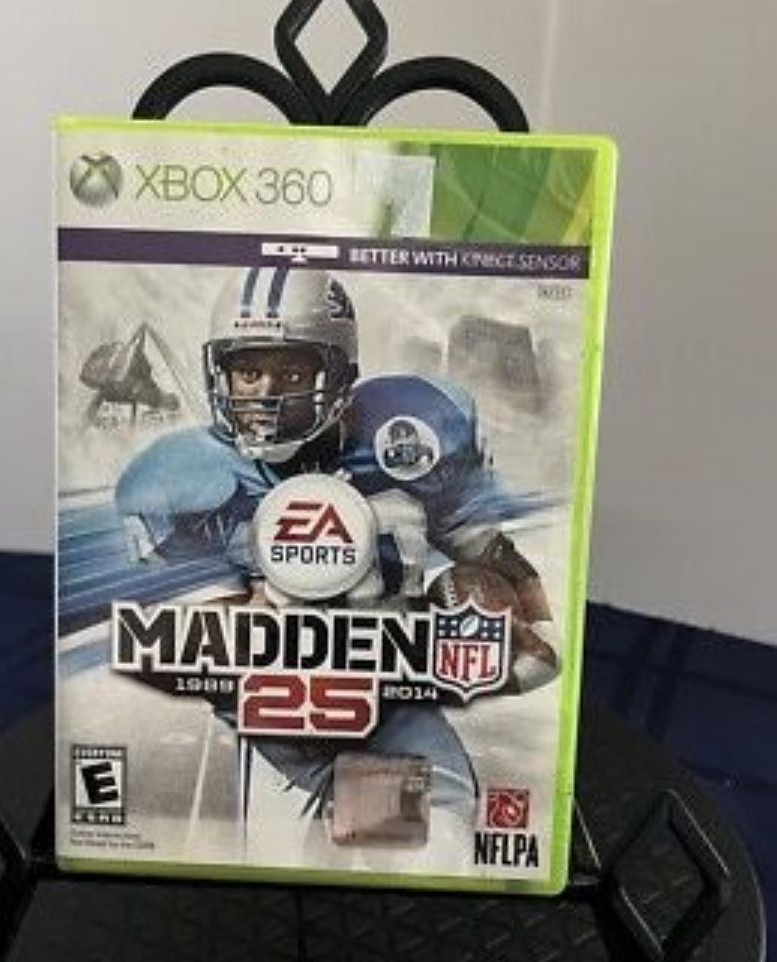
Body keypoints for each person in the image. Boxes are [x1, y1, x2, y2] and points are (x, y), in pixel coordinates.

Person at [116, 267, 559, 831]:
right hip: (281, 739)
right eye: (247, 372)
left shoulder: (407, 433)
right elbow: (188, 641)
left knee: (432, 852)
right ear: (219, 372)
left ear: (340, 373)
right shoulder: (185, 478)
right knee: (279, 876)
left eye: (292, 372)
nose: (265, 395)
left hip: (394, 714)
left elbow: (496, 561)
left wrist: (531, 635)